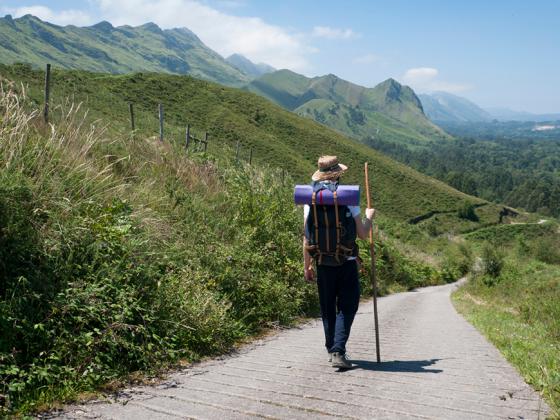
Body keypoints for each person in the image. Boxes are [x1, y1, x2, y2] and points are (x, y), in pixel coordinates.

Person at [303, 155, 375, 369]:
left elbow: (306, 236)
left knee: (327, 307)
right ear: (337, 173)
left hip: (322, 261)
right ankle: (338, 351)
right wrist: (369, 217)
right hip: (347, 260)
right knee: (348, 306)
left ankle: (331, 348)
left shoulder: (311, 198)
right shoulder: (347, 196)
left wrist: (306, 265)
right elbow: (362, 234)